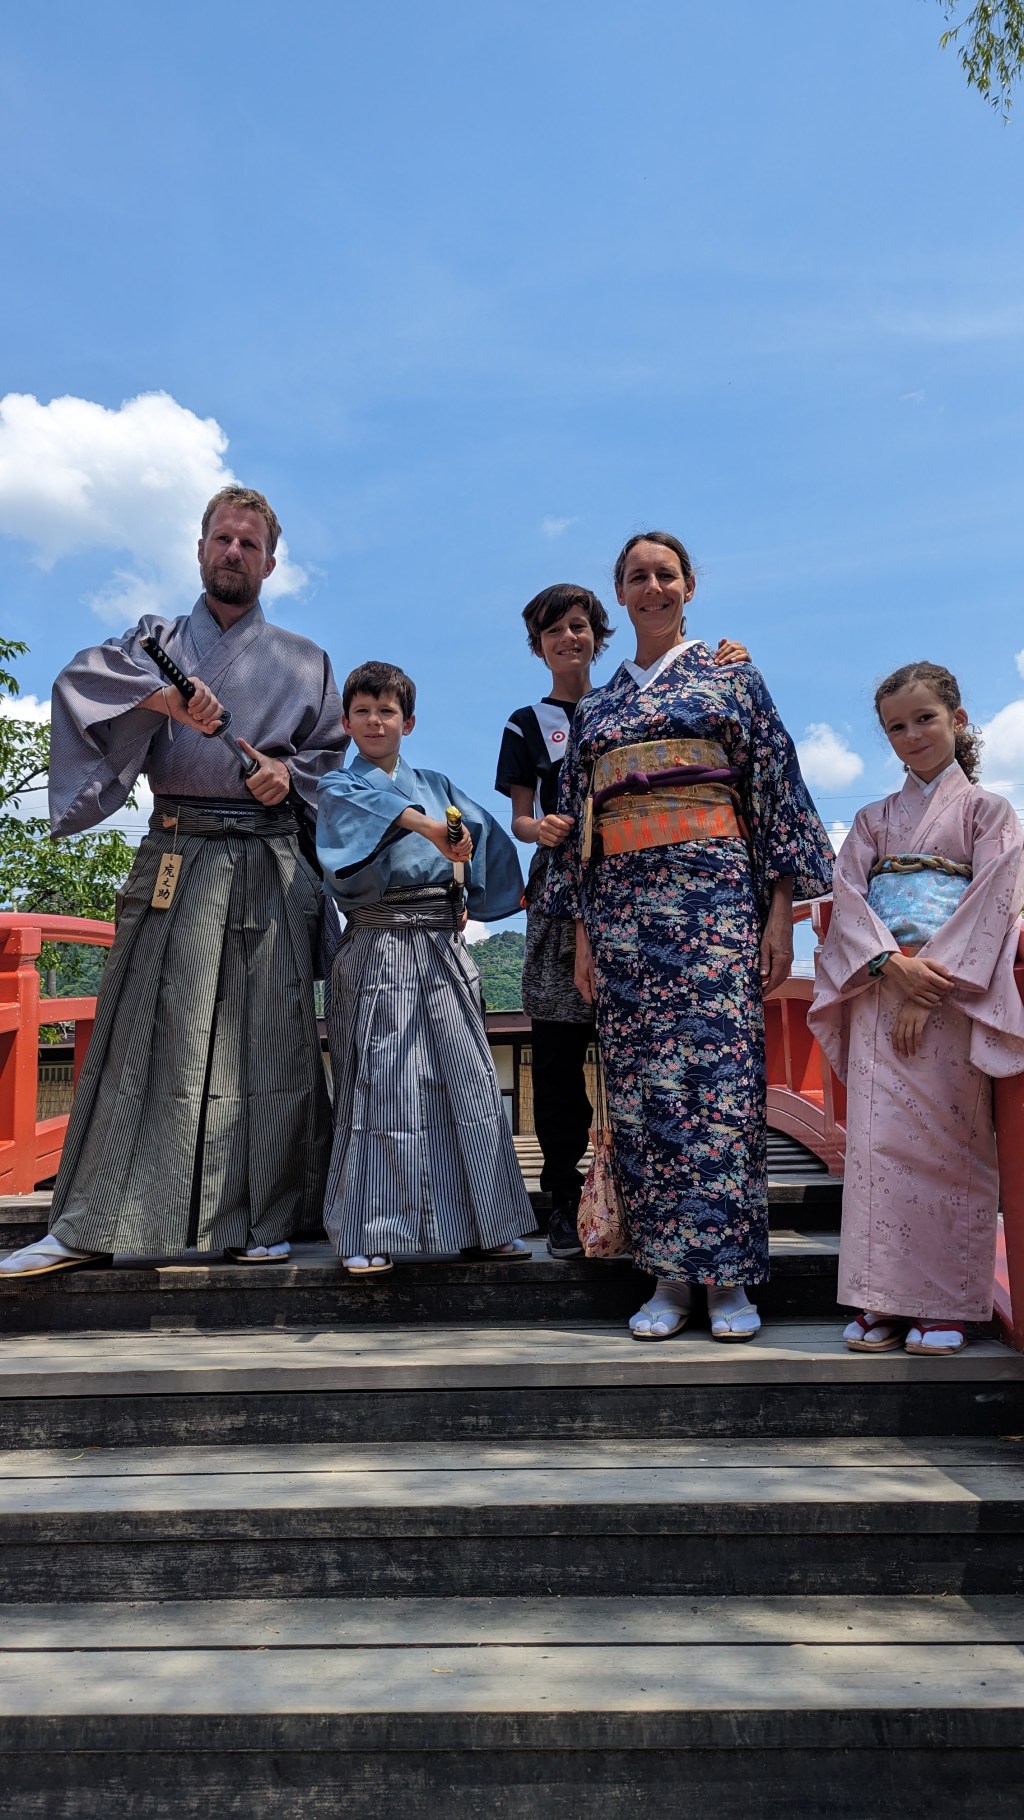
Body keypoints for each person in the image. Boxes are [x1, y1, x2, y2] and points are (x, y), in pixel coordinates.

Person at [0, 485, 347, 1278]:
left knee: (273, 1043)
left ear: (269, 561)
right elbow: (81, 682)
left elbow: (332, 763)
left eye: (249, 544)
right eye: (222, 539)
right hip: (178, 851)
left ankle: (270, 1214)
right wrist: (160, 697)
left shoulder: (305, 659)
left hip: (267, 858)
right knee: (145, 1035)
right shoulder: (156, 638)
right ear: (200, 549)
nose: (234, 554)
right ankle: (91, 1218)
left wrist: (284, 777)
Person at [545, 531, 833, 1340]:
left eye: (665, 574)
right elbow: (582, 833)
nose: (653, 587)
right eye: (637, 577)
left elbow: (774, 788)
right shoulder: (598, 707)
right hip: (626, 919)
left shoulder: (731, 676)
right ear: (621, 594)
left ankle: (730, 1279)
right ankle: (669, 1277)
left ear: (690, 587)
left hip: (715, 911)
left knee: (724, 1092)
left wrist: (780, 912)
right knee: (645, 1097)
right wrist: (582, 937)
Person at [496, 583, 751, 1259]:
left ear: (598, 634)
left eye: (579, 627)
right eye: (553, 631)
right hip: (560, 895)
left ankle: (645, 1207)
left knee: (643, 1054)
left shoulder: (634, 697)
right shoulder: (527, 722)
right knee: (555, 1054)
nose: (567, 639)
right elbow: (520, 816)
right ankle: (561, 1198)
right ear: (538, 644)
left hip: (641, 891)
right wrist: (540, 827)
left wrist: (726, 663)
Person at [808, 661, 1024, 1356]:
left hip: (954, 997)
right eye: (896, 727)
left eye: (925, 718)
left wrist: (928, 981)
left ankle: (947, 1305)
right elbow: (846, 903)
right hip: (879, 994)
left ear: (958, 721)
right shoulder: (872, 821)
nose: (912, 734)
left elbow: (996, 899)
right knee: (876, 1153)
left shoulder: (989, 814)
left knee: (949, 1150)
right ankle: (883, 1299)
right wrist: (889, 969)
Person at [317, 661, 536, 1273]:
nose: (375, 720)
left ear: (407, 722)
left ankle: (486, 1223)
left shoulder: (437, 784)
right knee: (384, 1084)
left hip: (440, 942)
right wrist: (433, 830)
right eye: (362, 711)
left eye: (387, 711)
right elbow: (364, 824)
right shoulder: (338, 786)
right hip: (379, 943)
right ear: (346, 722)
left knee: (466, 1082)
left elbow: (485, 840)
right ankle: (368, 1230)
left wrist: (464, 866)